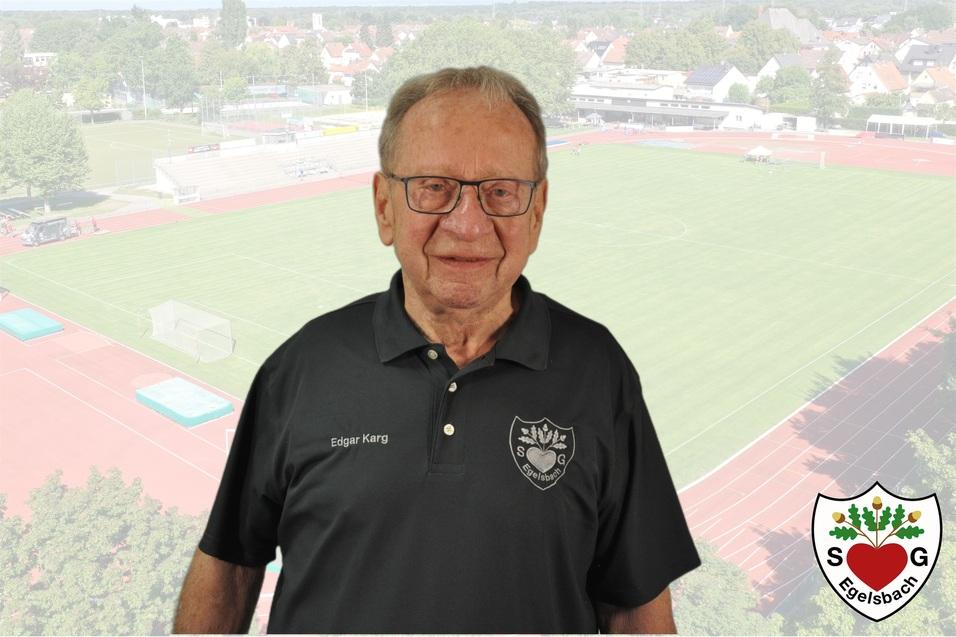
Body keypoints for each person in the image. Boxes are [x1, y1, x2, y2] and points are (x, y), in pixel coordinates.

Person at [173, 66, 700, 634]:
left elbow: (635, 602)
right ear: (383, 206)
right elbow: (229, 564)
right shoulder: (301, 366)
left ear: (538, 210)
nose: (468, 224)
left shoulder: (598, 369)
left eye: (500, 192)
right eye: (434, 188)